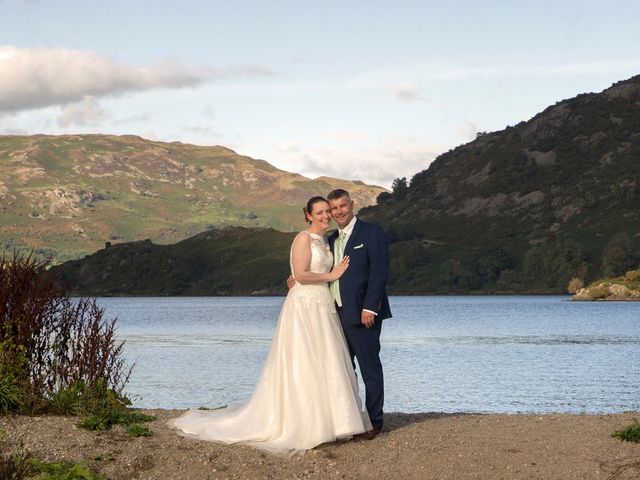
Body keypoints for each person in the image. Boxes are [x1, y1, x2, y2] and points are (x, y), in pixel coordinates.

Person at [168, 196, 371, 455]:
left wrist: (326, 280)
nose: (325, 216)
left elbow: (306, 275)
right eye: (319, 212)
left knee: (326, 360)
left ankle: (334, 422)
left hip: (322, 305)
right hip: (304, 308)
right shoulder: (303, 238)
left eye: (326, 211)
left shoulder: (326, 240)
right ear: (308, 215)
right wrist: (329, 275)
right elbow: (300, 275)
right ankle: (306, 425)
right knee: (303, 361)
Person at [288, 188, 391, 440]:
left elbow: (379, 271)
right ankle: (352, 418)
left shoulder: (371, 232)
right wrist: (296, 280)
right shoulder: (331, 239)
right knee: (342, 370)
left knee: (370, 368)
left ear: (352, 204)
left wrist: (370, 307)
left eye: (342, 206)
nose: (338, 212)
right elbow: (311, 269)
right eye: (333, 209)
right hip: (332, 315)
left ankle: (374, 422)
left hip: (363, 313)